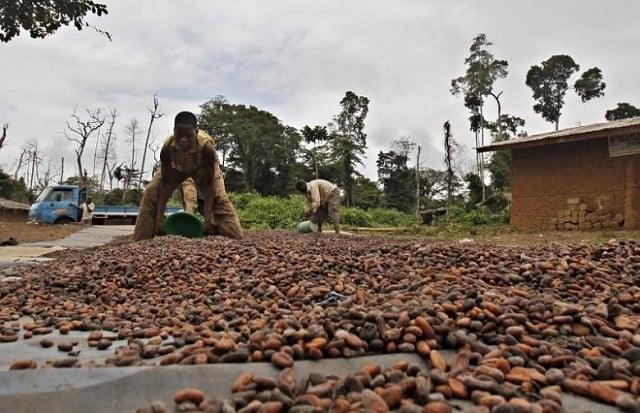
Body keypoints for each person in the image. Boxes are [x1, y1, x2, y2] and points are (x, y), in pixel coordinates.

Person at [133, 111, 243, 240]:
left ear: (196, 133)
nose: (183, 140)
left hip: (202, 166)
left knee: (219, 198)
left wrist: (207, 220)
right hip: (178, 167)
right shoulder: (167, 149)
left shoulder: (207, 148)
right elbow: (165, 184)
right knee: (151, 192)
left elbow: (209, 186)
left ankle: (233, 237)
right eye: (179, 135)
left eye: (188, 136)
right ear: (174, 131)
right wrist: (159, 219)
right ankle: (141, 239)